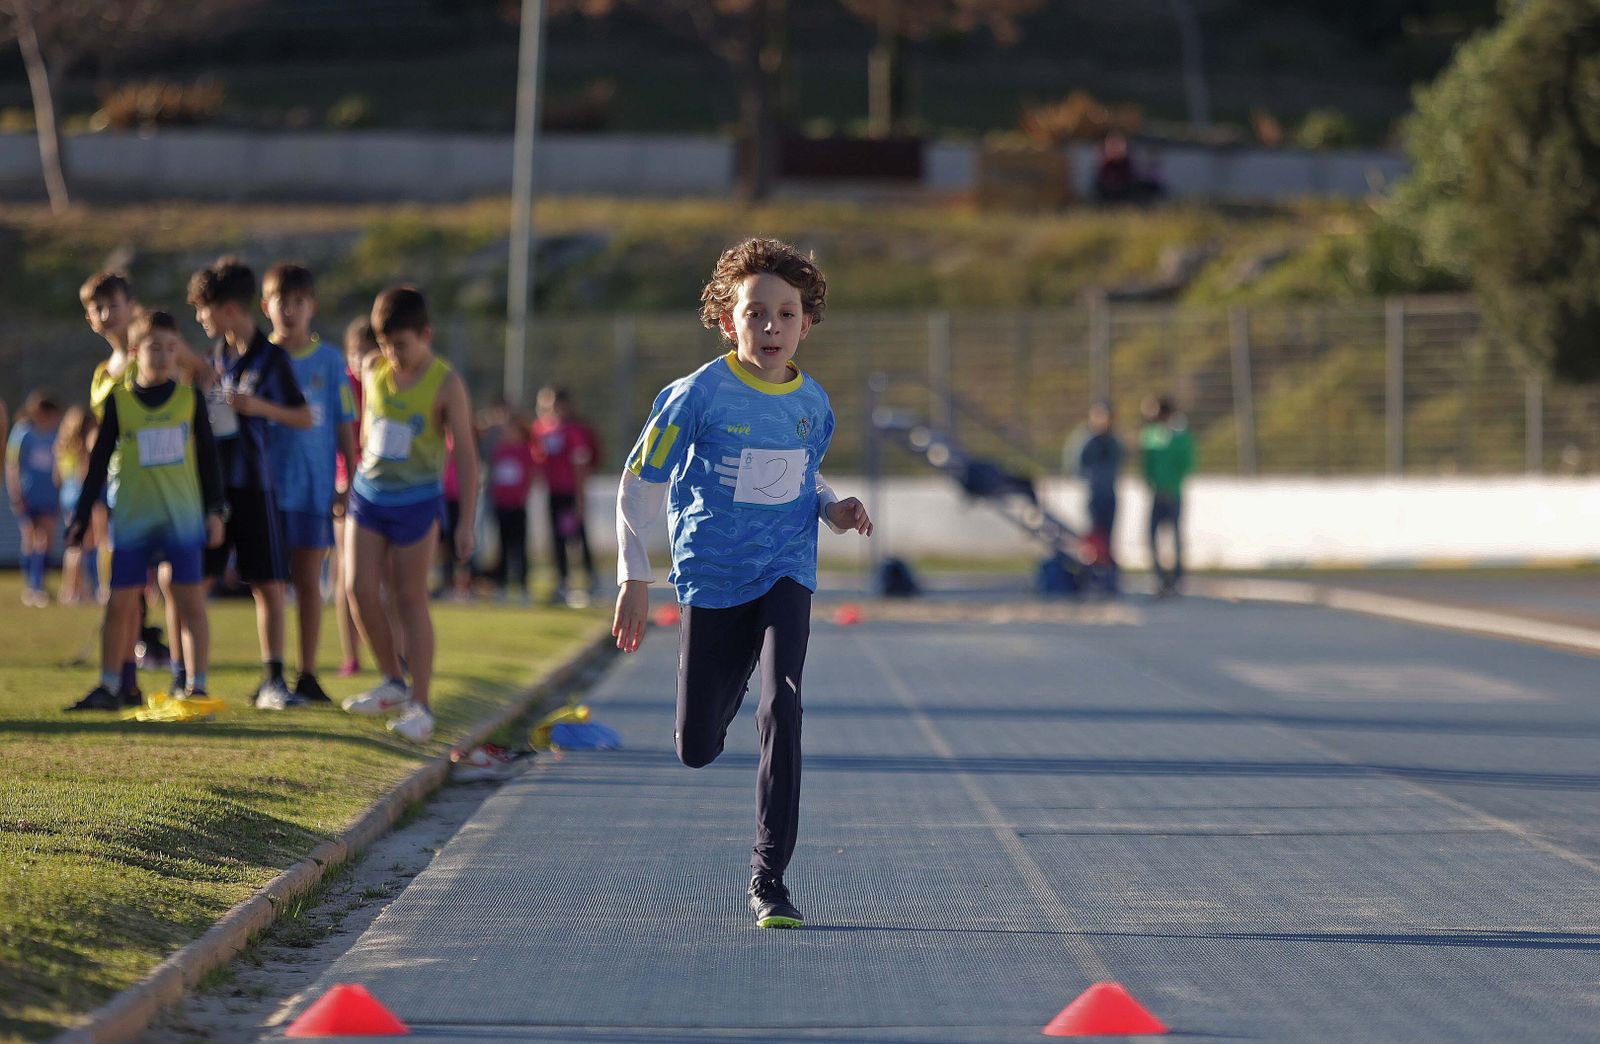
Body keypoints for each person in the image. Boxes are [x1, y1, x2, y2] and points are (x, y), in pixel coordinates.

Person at [610, 237, 873, 929]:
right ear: (729, 319)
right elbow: (640, 481)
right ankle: (717, 703)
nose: (771, 329)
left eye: (786, 315)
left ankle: (769, 878)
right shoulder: (695, 395)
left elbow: (801, 470)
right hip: (710, 579)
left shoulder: (813, 403)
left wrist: (831, 508)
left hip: (786, 569)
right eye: (756, 314)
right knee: (697, 746)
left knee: (782, 708)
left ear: (805, 324)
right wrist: (634, 576)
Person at [64, 310, 226, 711]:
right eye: (155, 347)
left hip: (181, 519)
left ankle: (197, 684)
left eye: (172, 347)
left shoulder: (190, 399)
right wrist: (82, 515)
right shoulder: (120, 403)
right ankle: (109, 684)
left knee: (189, 602)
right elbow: (99, 462)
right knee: (119, 604)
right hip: (133, 521)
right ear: (135, 351)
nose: (164, 355)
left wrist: (216, 510)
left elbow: (209, 459)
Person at [341, 285, 479, 744]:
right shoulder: (372, 367)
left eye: (401, 344)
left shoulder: (446, 383)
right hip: (369, 494)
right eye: (383, 344)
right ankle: (391, 681)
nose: (391, 354)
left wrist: (465, 522)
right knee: (358, 589)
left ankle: (421, 704)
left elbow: (467, 458)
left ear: (426, 334)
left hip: (418, 501)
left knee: (409, 598)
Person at [187, 256, 313, 709]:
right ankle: (189, 679)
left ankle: (273, 680)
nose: (201, 317)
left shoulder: (272, 359)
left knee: (269, 583)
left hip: (257, 484)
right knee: (193, 580)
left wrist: (259, 407)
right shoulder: (212, 359)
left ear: (230, 309)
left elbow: (303, 416)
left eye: (206, 309)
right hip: (214, 489)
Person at [262, 263, 358, 704]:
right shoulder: (258, 358)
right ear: (266, 306)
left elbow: (343, 424)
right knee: (269, 585)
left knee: (308, 581)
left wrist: (348, 480)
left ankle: (308, 672)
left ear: (312, 307)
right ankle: (273, 671)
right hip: (265, 490)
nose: (290, 310)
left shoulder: (330, 361)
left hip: (314, 488)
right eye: (282, 301)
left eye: (298, 302)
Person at [332, 317, 380, 676]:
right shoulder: (343, 386)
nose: (359, 362)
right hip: (347, 487)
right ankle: (352, 655)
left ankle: (393, 652)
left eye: (366, 353)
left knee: (387, 581)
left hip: (385, 490)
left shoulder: (388, 385)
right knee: (345, 577)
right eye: (354, 354)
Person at [532, 386, 600, 605]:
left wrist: (580, 497)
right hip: (554, 493)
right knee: (557, 539)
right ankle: (563, 581)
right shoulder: (541, 429)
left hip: (570, 492)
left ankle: (590, 578)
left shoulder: (573, 431)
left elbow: (580, 465)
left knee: (575, 535)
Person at [7, 391, 62, 607]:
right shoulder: (23, 433)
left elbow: (58, 467)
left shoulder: (55, 436)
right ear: (41, 413)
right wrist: (16, 493)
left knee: (46, 541)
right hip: (28, 495)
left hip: (48, 495)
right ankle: (31, 586)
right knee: (30, 540)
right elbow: (13, 465)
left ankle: (40, 584)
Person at [1140, 395, 1194, 596]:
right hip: (1156, 493)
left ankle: (1177, 579)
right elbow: (1147, 463)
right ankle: (1158, 577)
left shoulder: (1181, 436)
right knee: (1151, 535)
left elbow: (1186, 464)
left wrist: (1172, 485)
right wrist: (1151, 483)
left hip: (1173, 493)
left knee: (1175, 536)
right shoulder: (1150, 434)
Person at [1071, 401, 1123, 586]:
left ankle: (1109, 579)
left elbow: (1119, 461)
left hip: (1109, 494)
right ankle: (1090, 578)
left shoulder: (1113, 441)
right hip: (1093, 496)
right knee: (1093, 540)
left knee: (1109, 538)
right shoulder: (1086, 440)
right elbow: (1075, 465)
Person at [488, 411, 537, 602]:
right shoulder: (499, 450)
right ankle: (502, 585)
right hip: (501, 506)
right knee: (502, 546)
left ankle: (523, 586)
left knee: (519, 547)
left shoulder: (525, 451)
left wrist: (523, 496)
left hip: (518, 507)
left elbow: (530, 475)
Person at [55, 405, 101, 605]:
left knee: (73, 545)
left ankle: (72, 589)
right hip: (81, 497)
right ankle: (77, 590)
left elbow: (57, 476)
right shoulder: (83, 448)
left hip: (67, 494)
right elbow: (86, 475)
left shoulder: (62, 446)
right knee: (81, 545)